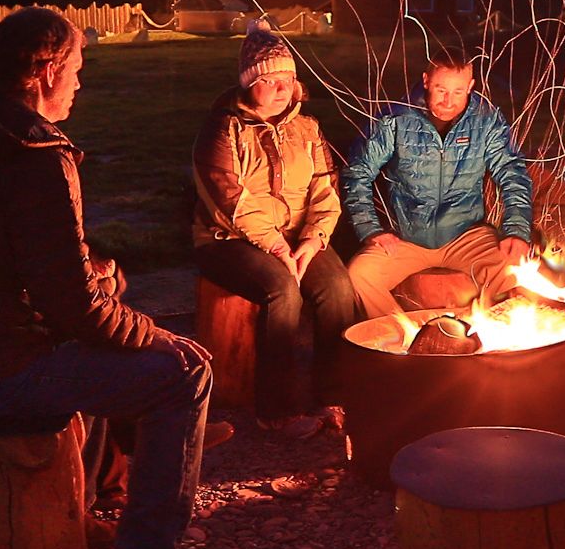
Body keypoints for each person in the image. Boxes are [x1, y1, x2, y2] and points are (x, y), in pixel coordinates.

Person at [0, 7, 227, 549]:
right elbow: (76, 309)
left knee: (103, 336)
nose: (80, 81)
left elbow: (7, 262)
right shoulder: (35, 155)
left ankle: (79, 508)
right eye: (76, 67)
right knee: (185, 372)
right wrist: (153, 333)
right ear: (45, 72)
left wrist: (98, 291)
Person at [191, 26, 356, 436]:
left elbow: (325, 189)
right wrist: (280, 250)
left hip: (298, 237)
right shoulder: (223, 129)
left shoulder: (308, 128)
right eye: (270, 80)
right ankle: (277, 410)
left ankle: (333, 395)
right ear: (249, 84)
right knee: (283, 290)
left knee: (337, 287)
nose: (282, 88)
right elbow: (230, 200)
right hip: (228, 239)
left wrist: (314, 239)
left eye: (288, 79)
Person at [340, 49, 536, 318]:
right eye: (440, 89)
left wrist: (516, 230)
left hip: (467, 235)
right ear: (426, 81)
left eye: (457, 91)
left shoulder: (486, 120)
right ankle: (400, 338)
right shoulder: (396, 119)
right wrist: (371, 229)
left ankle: (475, 333)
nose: (448, 101)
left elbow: (512, 173)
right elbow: (358, 173)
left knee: (518, 272)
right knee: (361, 274)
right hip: (407, 238)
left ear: (470, 86)